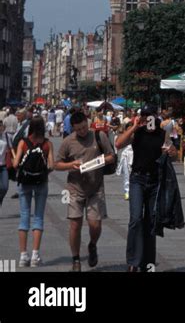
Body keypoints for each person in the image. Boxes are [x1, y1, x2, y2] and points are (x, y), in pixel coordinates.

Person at [115, 104, 175, 272]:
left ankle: (147, 263)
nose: (148, 118)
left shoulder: (162, 134)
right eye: (144, 115)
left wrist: (171, 151)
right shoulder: (137, 133)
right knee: (135, 219)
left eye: (150, 115)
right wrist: (134, 126)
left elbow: (174, 152)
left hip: (155, 181)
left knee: (151, 221)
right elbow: (118, 144)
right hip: (137, 179)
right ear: (141, 117)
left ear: (155, 116)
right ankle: (133, 261)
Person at [55, 110, 115, 272]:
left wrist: (98, 162)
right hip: (75, 188)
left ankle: (92, 245)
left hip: (96, 187)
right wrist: (70, 165)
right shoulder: (68, 141)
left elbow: (111, 156)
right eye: (78, 129)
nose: (82, 131)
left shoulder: (98, 136)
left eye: (84, 128)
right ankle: (76, 259)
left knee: (95, 224)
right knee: (75, 224)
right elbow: (56, 164)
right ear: (73, 128)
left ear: (87, 123)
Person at [12, 116, 54, 267]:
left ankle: (23, 256)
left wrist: (22, 170)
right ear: (43, 127)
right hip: (41, 183)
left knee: (24, 217)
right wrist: (42, 173)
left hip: (25, 183)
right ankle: (35, 255)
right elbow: (51, 165)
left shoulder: (23, 143)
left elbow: (16, 163)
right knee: (38, 217)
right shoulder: (47, 144)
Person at [0, 121, 10, 206]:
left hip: (3, 166)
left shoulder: (6, 136)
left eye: (1, 126)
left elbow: (11, 148)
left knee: (5, 187)